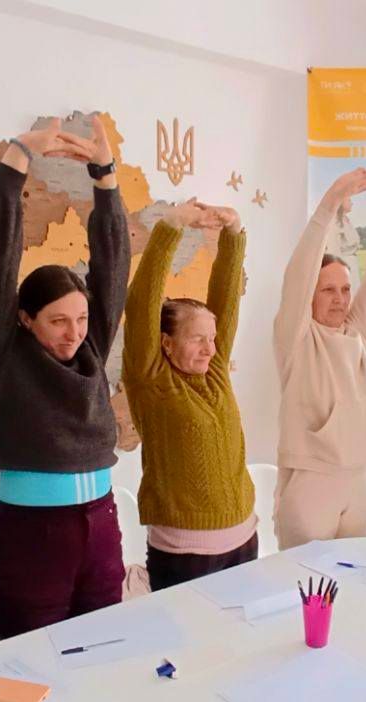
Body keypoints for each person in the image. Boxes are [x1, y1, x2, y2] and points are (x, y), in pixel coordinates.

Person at [0, 114, 130, 640]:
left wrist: (105, 177)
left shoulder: (90, 347)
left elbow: (113, 268)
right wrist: (17, 159)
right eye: (57, 321)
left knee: (100, 656)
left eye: (81, 319)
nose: (74, 333)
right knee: (31, 668)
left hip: (101, 528)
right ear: (25, 318)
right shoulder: (5, 351)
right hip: (31, 536)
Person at [122, 200, 255, 591]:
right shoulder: (152, 379)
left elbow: (226, 299)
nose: (210, 348)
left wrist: (233, 233)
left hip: (245, 541)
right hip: (186, 557)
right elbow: (142, 302)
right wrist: (171, 226)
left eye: (212, 338)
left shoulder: (214, 370)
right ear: (166, 342)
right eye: (197, 339)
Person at [273, 168, 366, 549]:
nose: (340, 299)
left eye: (345, 289)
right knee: (304, 582)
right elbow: (299, 273)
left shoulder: (357, 332)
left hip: (363, 480)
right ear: (310, 295)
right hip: (313, 484)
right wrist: (330, 203)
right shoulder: (297, 337)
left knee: (355, 578)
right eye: (328, 290)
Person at [322, 193, 361, 275]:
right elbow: (332, 249)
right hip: (343, 267)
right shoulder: (334, 222)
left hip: (352, 264)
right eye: (349, 200)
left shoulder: (347, 220)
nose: (352, 203)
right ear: (341, 201)